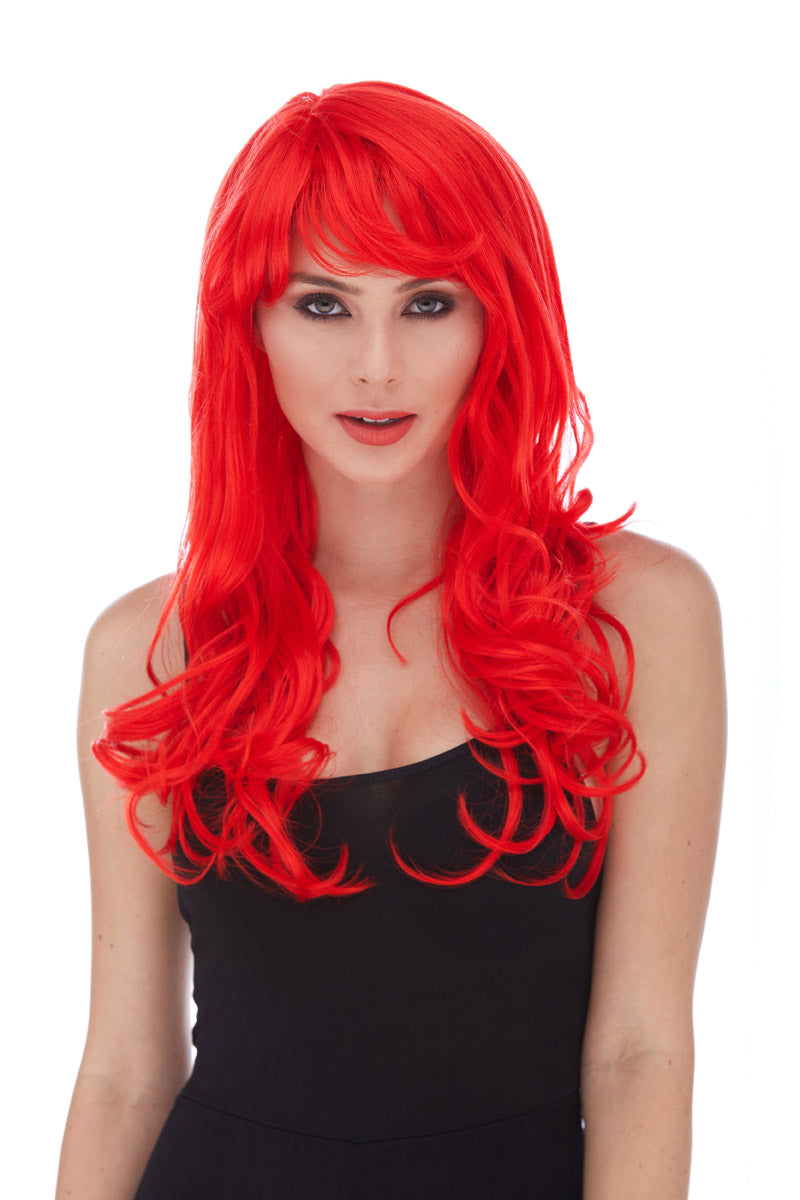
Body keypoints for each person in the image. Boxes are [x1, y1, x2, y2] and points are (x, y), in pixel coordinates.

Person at [56, 81, 725, 1200]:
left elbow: (639, 1053)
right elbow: (125, 1071)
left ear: (497, 318)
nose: (376, 364)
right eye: (322, 304)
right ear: (249, 325)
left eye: (427, 303)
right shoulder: (149, 648)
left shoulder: (635, 618)